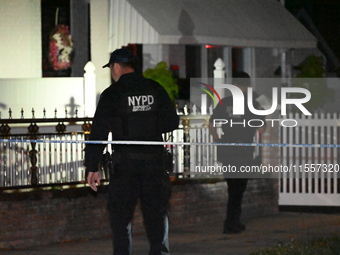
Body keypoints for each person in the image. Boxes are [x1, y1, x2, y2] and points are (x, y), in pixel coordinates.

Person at [85, 48, 179, 255]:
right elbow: (173, 121)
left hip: (124, 167)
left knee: (121, 218)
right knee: (157, 214)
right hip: (154, 164)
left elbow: (98, 132)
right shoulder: (155, 88)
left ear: (116, 66)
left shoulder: (112, 94)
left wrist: (92, 167)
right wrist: (149, 127)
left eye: (111, 68)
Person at [208, 71, 266, 234]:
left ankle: (234, 221)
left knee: (233, 187)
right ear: (247, 86)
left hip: (226, 149)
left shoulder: (224, 102)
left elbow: (212, 124)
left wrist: (217, 139)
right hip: (243, 150)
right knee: (238, 188)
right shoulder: (252, 104)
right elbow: (261, 128)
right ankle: (231, 223)